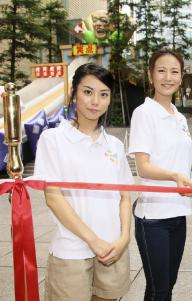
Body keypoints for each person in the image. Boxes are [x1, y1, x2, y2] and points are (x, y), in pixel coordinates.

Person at [34, 63, 134, 301]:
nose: (95, 101)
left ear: (110, 99)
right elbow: (53, 197)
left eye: (103, 94)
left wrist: (124, 238)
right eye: (87, 92)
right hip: (71, 251)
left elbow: (125, 196)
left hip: (113, 250)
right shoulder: (53, 139)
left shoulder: (115, 146)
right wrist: (92, 240)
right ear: (74, 94)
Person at [128, 48, 192, 300]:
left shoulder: (178, 117)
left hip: (178, 213)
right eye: (161, 71)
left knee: (167, 284)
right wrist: (174, 177)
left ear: (181, 77)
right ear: (151, 76)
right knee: (160, 290)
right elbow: (143, 166)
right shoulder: (144, 113)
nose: (167, 77)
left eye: (174, 72)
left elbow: (184, 162)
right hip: (153, 217)